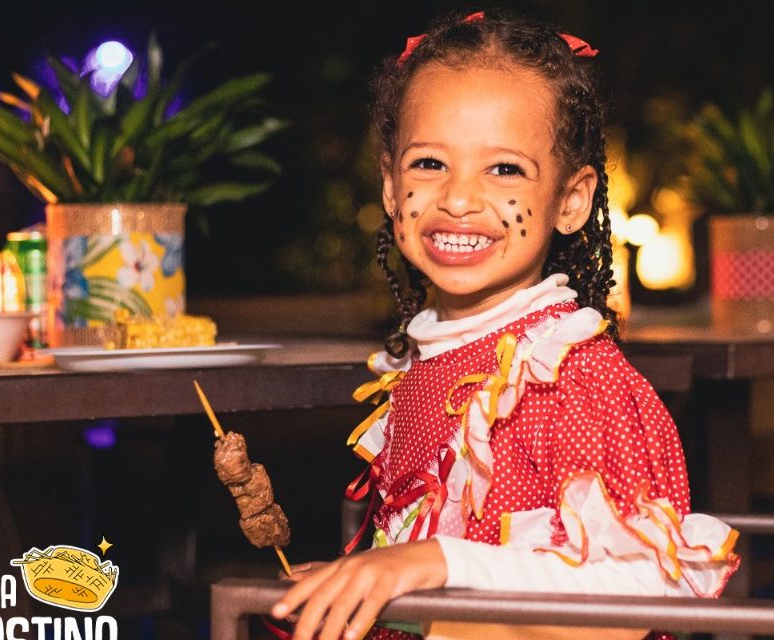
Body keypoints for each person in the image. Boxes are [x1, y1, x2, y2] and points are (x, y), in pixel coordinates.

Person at [270, 10, 739, 640]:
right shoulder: (434, 357)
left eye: (505, 169)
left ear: (571, 201)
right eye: (429, 164)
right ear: (388, 185)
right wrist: (365, 578)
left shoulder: (569, 380)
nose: (459, 199)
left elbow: (647, 591)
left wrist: (435, 563)